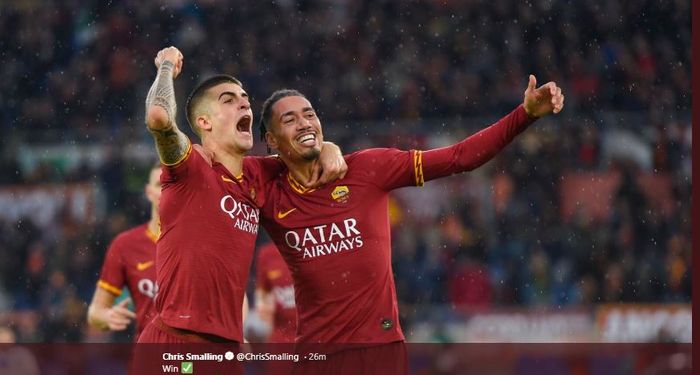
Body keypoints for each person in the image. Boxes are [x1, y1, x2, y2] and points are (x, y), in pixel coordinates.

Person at [256, 75, 564, 374]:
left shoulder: (367, 168)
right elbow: (214, 166)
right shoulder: (268, 190)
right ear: (271, 140)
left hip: (380, 353)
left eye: (309, 114)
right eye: (290, 119)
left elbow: (461, 157)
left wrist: (524, 115)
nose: (305, 123)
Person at [136, 46, 345, 344]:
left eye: (246, 100)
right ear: (204, 122)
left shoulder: (259, 175)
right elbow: (158, 117)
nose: (245, 106)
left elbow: (305, 153)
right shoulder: (191, 168)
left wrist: (328, 147)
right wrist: (167, 66)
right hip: (176, 340)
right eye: (229, 100)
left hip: (226, 345)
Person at [87, 163, 161, 341]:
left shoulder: (203, 241)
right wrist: (106, 317)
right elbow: (95, 313)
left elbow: (233, 299)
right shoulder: (125, 245)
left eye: (172, 184)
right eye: (160, 185)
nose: (166, 190)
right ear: (148, 192)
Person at [253, 241, 297, 343]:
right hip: (282, 340)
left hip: (315, 338)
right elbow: (263, 295)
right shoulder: (266, 254)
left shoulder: (315, 248)